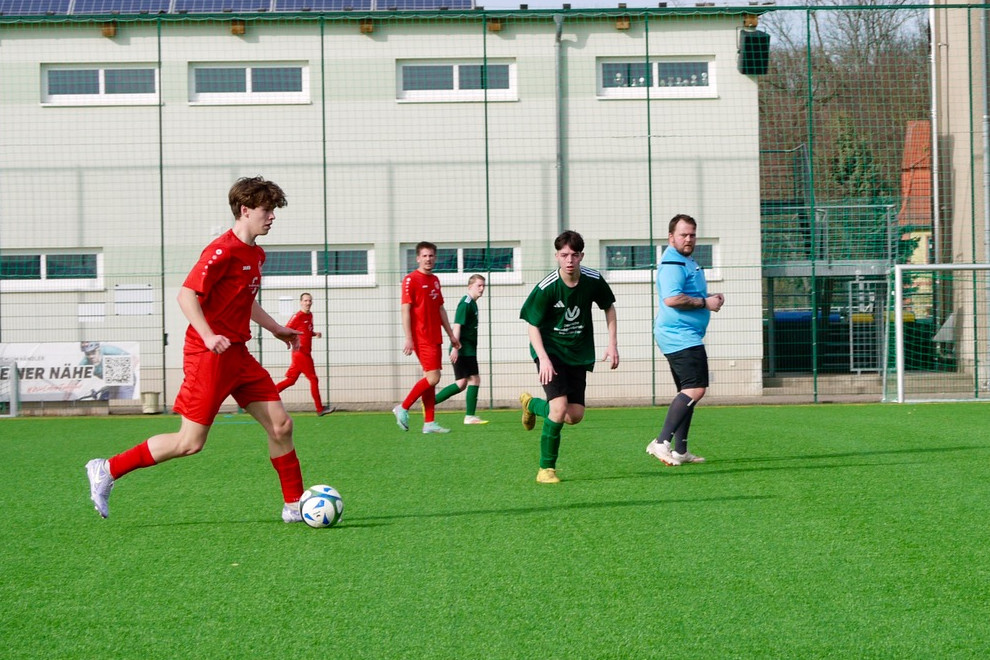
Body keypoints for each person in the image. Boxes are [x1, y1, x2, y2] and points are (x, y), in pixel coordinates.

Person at [85, 176, 309, 522]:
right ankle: (107, 469)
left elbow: (243, 299)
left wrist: (276, 328)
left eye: (273, 210)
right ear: (245, 210)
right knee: (190, 442)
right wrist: (207, 335)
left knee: (281, 425)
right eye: (266, 210)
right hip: (209, 356)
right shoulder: (222, 250)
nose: (272, 217)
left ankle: (294, 506)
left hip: (238, 354)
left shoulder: (256, 253)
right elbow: (186, 294)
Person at [519, 230, 619, 484]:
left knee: (573, 416)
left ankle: (531, 405)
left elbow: (608, 307)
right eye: (564, 255)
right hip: (550, 351)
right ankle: (546, 469)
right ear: (557, 256)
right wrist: (543, 358)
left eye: (574, 255)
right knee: (558, 407)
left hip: (578, 352)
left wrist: (612, 344)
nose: (569, 260)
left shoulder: (593, 280)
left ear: (581, 256)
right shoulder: (547, 287)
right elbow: (532, 325)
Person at [646, 213, 724, 467]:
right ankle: (661, 442)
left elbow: (689, 294)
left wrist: (710, 298)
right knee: (695, 389)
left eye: (692, 234)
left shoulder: (686, 261)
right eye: (683, 235)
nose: (688, 239)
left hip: (682, 335)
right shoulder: (673, 264)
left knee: (687, 391)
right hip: (680, 335)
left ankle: (680, 450)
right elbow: (672, 298)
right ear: (671, 237)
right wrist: (705, 303)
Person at [392, 241, 460, 434]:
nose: (428, 259)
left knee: (430, 379)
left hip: (435, 336)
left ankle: (429, 422)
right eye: (424, 256)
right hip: (421, 337)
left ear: (435, 258)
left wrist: (451, 335)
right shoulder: (410, 280)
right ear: (417, 258)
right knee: (433, 377)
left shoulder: (435, 280)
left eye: (431, 256)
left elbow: (440, 309)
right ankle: (403, 407)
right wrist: (409, 338)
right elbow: (405, 310)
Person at [434, 274, 488, 424]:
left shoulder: (473, 303)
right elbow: (457, 326)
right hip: (463, 350)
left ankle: (430, 402)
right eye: (479, 285)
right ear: (470, 286)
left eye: (483, 286)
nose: (482, 288)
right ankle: (469, 416)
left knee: (462, 383)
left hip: (467, 350)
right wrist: (455, 348)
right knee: (474, 380)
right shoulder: (465, 303)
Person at [276, 292, 335, 416]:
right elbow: (286, 330)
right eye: (305, 301)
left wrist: (314, 333)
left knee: (291, 380)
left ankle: (266, 396)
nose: (308, 303)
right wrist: (291, 341)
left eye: (310, 301)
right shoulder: (297, 316)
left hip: (305, 353)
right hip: (300, 353)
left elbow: (305, 331)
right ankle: (320, 409)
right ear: (301, 302)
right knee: (313, 379)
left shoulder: (310, 315)